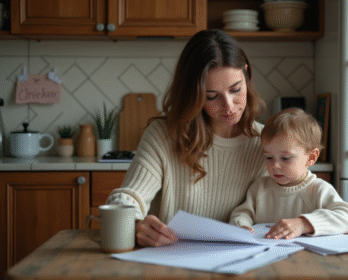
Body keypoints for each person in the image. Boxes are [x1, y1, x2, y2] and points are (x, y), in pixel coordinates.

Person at [106, 29, 267, 247]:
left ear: (246, 74)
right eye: (212, 96)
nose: (229, 106)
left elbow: (307, 194)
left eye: (236, 90)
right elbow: (126, 199)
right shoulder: (163, 135)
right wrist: (134, 224)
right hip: (169, 262)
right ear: (194, 94)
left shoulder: (266, 142)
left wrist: (303, 222)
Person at [229, 108, 348, 239]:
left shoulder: (319, 190)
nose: (275, 165)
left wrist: (303, 224)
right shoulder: (259, 187)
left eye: (285, 158)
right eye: (269, 157)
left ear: (311, 157)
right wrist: (241, 225)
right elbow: (241, 214)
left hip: (306, 257)